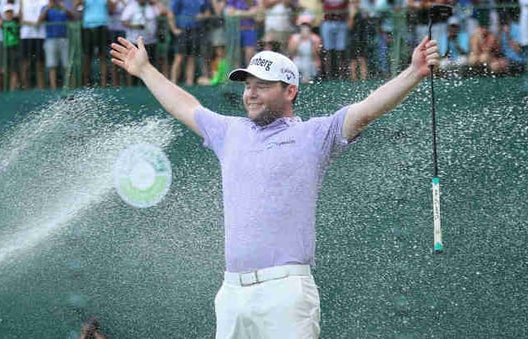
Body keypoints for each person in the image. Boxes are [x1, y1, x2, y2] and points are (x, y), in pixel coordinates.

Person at [110, 31, 439, 338]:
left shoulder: (313, 135)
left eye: (262, 86)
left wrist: (413, 73)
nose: (251, 94)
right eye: (247, 85)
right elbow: (185, 105)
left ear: (290, 91)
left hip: (285, 292)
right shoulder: (230, 132)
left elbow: (366, 111)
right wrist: (145, 70)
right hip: (232, 293)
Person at [39, 0, 74, 89]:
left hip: (64, 38)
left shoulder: (66, 4)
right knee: (52, 65)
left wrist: (64, 8)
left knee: (66, 64)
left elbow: (73, 17)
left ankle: (68, 86)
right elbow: (40, 20)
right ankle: (53, 88)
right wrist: (48, 8)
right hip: (50, 38)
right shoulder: (45, 7)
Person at [19, 0, 49, 90]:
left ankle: (41, 86)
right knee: (25, 62)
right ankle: (25, 86)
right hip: (26, 35)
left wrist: (39, 21)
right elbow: (21, 19)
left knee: (40, 62)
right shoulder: (22, 1)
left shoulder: (44, 1)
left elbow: (46, 14)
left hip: (40, 35)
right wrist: (34, 23)